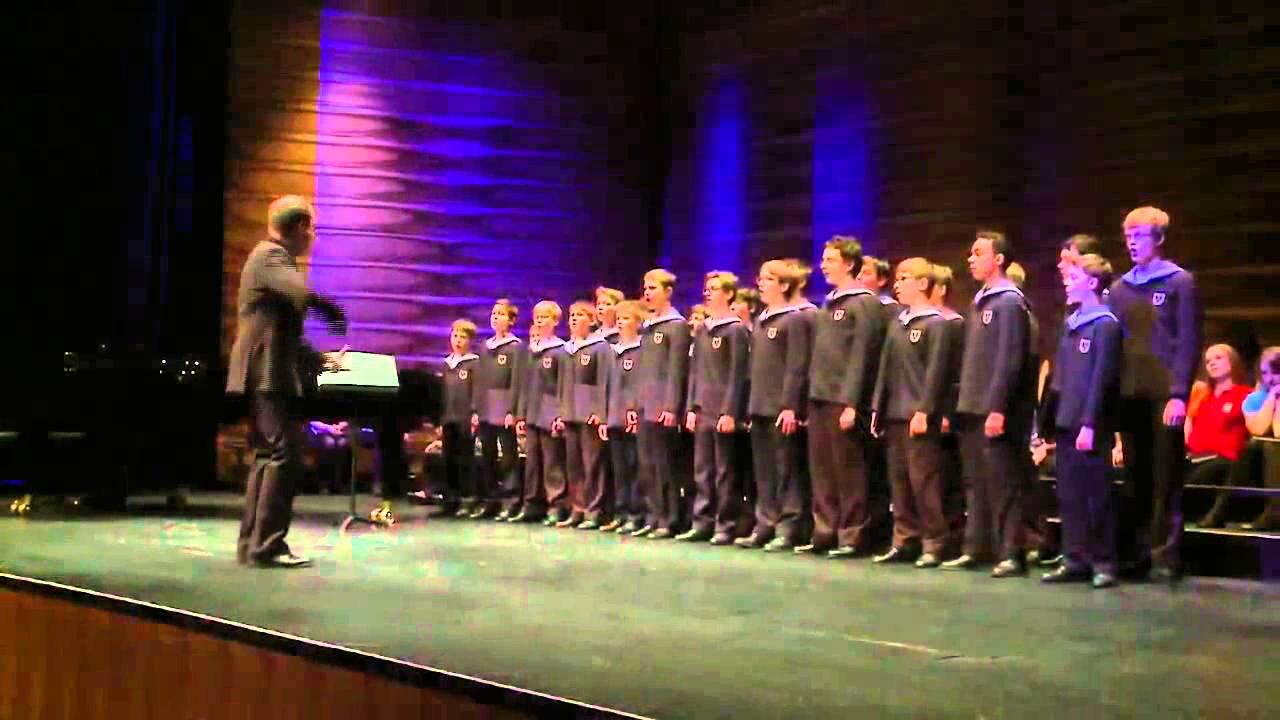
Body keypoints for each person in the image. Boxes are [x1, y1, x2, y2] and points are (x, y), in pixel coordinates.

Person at [227, 195, 346, 568]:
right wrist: (334, 312)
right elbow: (304, 294)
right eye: (311, 228)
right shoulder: (272, 257)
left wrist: (321, 360)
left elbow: (281, 332)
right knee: (282, 455)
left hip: (267, 369)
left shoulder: (269, 259)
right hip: (267, 373)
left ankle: (254, 545)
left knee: (269, 455)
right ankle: (267, 546)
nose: (313, 236)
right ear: (299, 228)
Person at [1107, 206, 1203, 582]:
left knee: (1166, 476)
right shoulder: (1119, 288)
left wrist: (1179, 393)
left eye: (1140, 235)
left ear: (1159, 239)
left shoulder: (1180, 283)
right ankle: (1138, 553)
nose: (1132, 242)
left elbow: (1188, 341)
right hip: (1129, 394)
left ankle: (1165, 555)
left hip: (1165, 395)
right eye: (1127, 236)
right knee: (1135, 476)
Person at [944, 230, 1038, 578]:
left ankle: (1012, 552)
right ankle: (978, 547)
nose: (971, 258)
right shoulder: (981, 300)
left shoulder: (1009, 302)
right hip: (972, 405)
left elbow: (1009, 360)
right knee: (976, 482)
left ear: (998, 259)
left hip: (994, 409)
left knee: (1003, 483)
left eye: (978, 252)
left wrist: (997, 406)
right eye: (971, 252)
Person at [1041, 254, 1124, 589]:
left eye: (1073, 276)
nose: (1066, 281)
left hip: (1089, 424)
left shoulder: (1105, 324)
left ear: (1092, 282)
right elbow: (1060, 378)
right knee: (1069, 495)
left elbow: (1102, 380)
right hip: (1065, 420)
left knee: (1096, 495)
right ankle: (1074, 557)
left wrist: (1090, 423)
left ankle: (1103, 561)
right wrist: (1048, 421)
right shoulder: (1071, 322)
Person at [805, 236, 888, 558]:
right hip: (820, 396)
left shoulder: (863, 302)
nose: (823, 264)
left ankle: (852, 535)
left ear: (850, 264)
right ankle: (826, 530)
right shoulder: (831, 302)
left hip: (844, 400)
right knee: (823, 470)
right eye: (823, 258)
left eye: (831, 259)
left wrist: (852, 402)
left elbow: (862, 357)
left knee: (849, 471)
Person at [869, 258, 955, 568]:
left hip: (918, 415)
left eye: (904, 278)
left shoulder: (938, 324)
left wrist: (925, 410)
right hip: (893, 414)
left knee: (924, 482)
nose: (897, 283)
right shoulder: (897, 323)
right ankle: (904, 539)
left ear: (922, 283)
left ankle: (934, 542)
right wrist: (878, 407)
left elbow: (936, 374)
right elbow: (885, 370)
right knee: (899, 482)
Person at [737, 259, 816, 551]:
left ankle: (790, 525)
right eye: (760, 278)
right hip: (759, 404)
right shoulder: (762, 319)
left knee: (787, 470)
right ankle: (765, 522)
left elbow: (797, 365)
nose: (761, 283)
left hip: (780, 407)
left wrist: (790, 405)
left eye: (768, 279)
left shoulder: (794, 318)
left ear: (784, 285)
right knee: (764, 470)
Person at [682, 272, 750, 544]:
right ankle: (703, 521)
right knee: (703, 469)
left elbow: (738, 375)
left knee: (724, 471)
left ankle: (726, 523)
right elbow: (694, 372)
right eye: (706, 288)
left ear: (730, 294)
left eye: (714, 288)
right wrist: (690, 407)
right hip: (702, 409)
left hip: (722, 410)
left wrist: (730, 411)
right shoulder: (702, 330)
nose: (708, 293)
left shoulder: (735, 330)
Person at [633, 269, 693, 539]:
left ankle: (669, 517)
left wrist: (671, 407)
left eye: (653, 287)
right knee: (647, 465)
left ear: (668, 292)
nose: (647, 292)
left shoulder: (676, 326)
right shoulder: (648, 325)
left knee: (665, 465)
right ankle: (654, 514)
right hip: (646, 404)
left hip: (663, 407)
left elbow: (677, 370)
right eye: (646, 287)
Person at [509, 302, 567, 524]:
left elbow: (562, 386)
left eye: (545, 317)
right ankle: (532, 504)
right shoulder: (531, 351)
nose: (540, 321)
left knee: (552, 462)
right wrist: (521, 415)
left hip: (549, 413)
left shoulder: (560, 351)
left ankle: (556, 504)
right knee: (532, 462)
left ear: (555, 321)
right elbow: (525, 385)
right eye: (537, 317)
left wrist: (559, 414)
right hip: (532, 413)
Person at [1185, 345, 1254, 528]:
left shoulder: (1245, 394)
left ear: (1232, 362)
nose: (1212, 363)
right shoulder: (1203, 397)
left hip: (1224, 459)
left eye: (1218, 358)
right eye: (1208, 361)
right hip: (1194, 457)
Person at [557, 301, 611, 529]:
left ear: (591, 321)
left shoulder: (600, 347)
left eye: (580, 315)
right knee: (574, 465)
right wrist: (560, 412)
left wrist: (599, 411)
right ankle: (577, 508)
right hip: (570, 413)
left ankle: (594, 509)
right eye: (572, 315)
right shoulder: (566, 350)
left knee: (593, 465)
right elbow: (561, 384)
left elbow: (603, 382)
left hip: (589, 414)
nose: (574, 319)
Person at [477, 299, 526, 521]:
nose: (496, 317)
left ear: (511, 320)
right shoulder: (485, 347)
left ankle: (511, 500)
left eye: (501, 314)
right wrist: (476, 409)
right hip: (486, 406)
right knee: (486, 456)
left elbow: (518, 381)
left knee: (508, 456)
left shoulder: (516, 348)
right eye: (494, 313)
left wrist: (512, 410)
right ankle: (490, 500)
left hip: (504, 407)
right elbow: (480, 380)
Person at [600, 301, 646, 533]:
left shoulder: (642, 349)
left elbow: (639, 385)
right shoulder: (612, 350)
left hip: (633, 419)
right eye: (618, 318)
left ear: (638, 322)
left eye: (626, 318)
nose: (620, 322)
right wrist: (604, 416)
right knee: (619, 469)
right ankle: (621, 511)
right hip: (614, 417)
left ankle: (636, 513)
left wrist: (634, 409)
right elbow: (608, 386)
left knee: (635, 466)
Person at [442, 320, 480, 517]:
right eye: (455, 336)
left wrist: (475, 413)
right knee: (448, 458)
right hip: (448, 418)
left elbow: (477, 391)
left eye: (462, 337)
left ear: (470, 340)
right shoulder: (446, 364)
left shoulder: (474, 363)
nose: (458, 340)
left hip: (465, 418)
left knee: (464, 459)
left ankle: (467, 500)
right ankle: (450, 500)